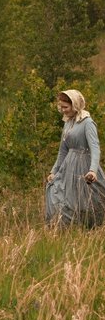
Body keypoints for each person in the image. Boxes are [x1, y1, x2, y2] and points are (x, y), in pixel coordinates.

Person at [44, 89, 105, 228]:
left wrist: (93, 170)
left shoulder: (87, 122)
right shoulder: (68, 122)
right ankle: (64, 228)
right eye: (61, 107)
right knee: (57, 192)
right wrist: (54, 171)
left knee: (86, 199)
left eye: (65, 107)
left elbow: (95, 148)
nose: (63, 110)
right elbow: (63, 150)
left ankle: (90, 227)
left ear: (75, 105)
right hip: (68, 167)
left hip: (83, 165)